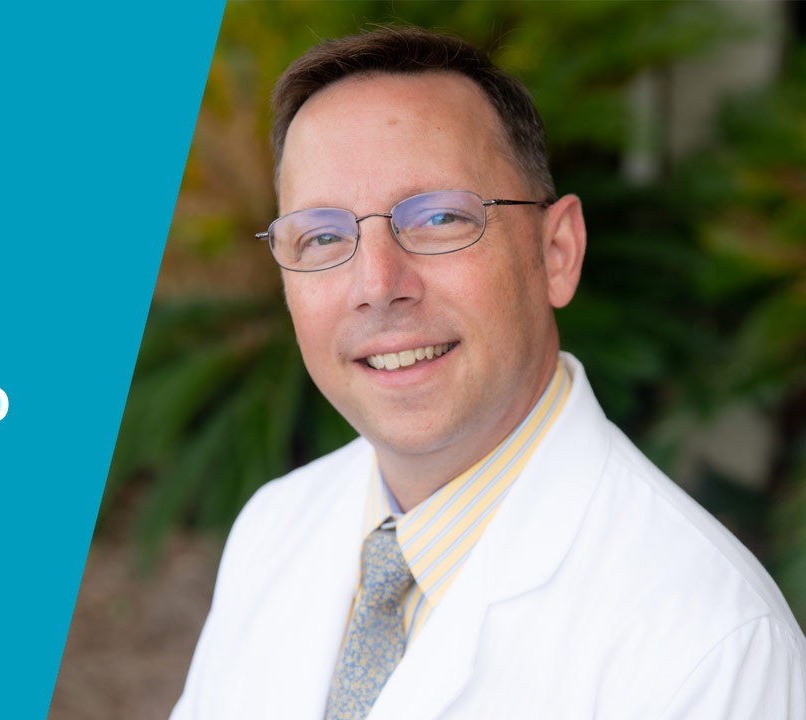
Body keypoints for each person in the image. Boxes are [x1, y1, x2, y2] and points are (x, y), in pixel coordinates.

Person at [171, 25, 806, 720]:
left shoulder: (710, 647)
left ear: (557, 251)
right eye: (324, 236)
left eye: (440, 218)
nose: (377, 284)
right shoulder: (274, 528)